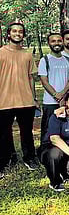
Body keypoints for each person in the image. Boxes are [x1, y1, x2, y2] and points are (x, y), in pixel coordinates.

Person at [0, 22, 39, 174]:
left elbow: (31, 78)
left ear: (23, 35)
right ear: (9, 34)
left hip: (25, 100)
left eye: (20, 31)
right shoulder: (1, 53)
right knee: (3, 134)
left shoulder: (27, 54)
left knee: (27, 132)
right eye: (14, 31)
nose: (17, 34)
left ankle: (29, 158)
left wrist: (34, 98)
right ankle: (7, 159)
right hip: (4, 101)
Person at [38, 32, 69, 142]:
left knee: (64, 129)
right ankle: (44, 152)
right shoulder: (44, 60)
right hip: (50, 102)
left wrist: (63, 94)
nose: (56, 43)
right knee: (47, 129)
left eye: (59, 40)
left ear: (63, 42)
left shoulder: (68, 60)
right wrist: (56, 95)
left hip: (65, 102)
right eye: (53, 41)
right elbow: (44, 81)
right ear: (49, 43)